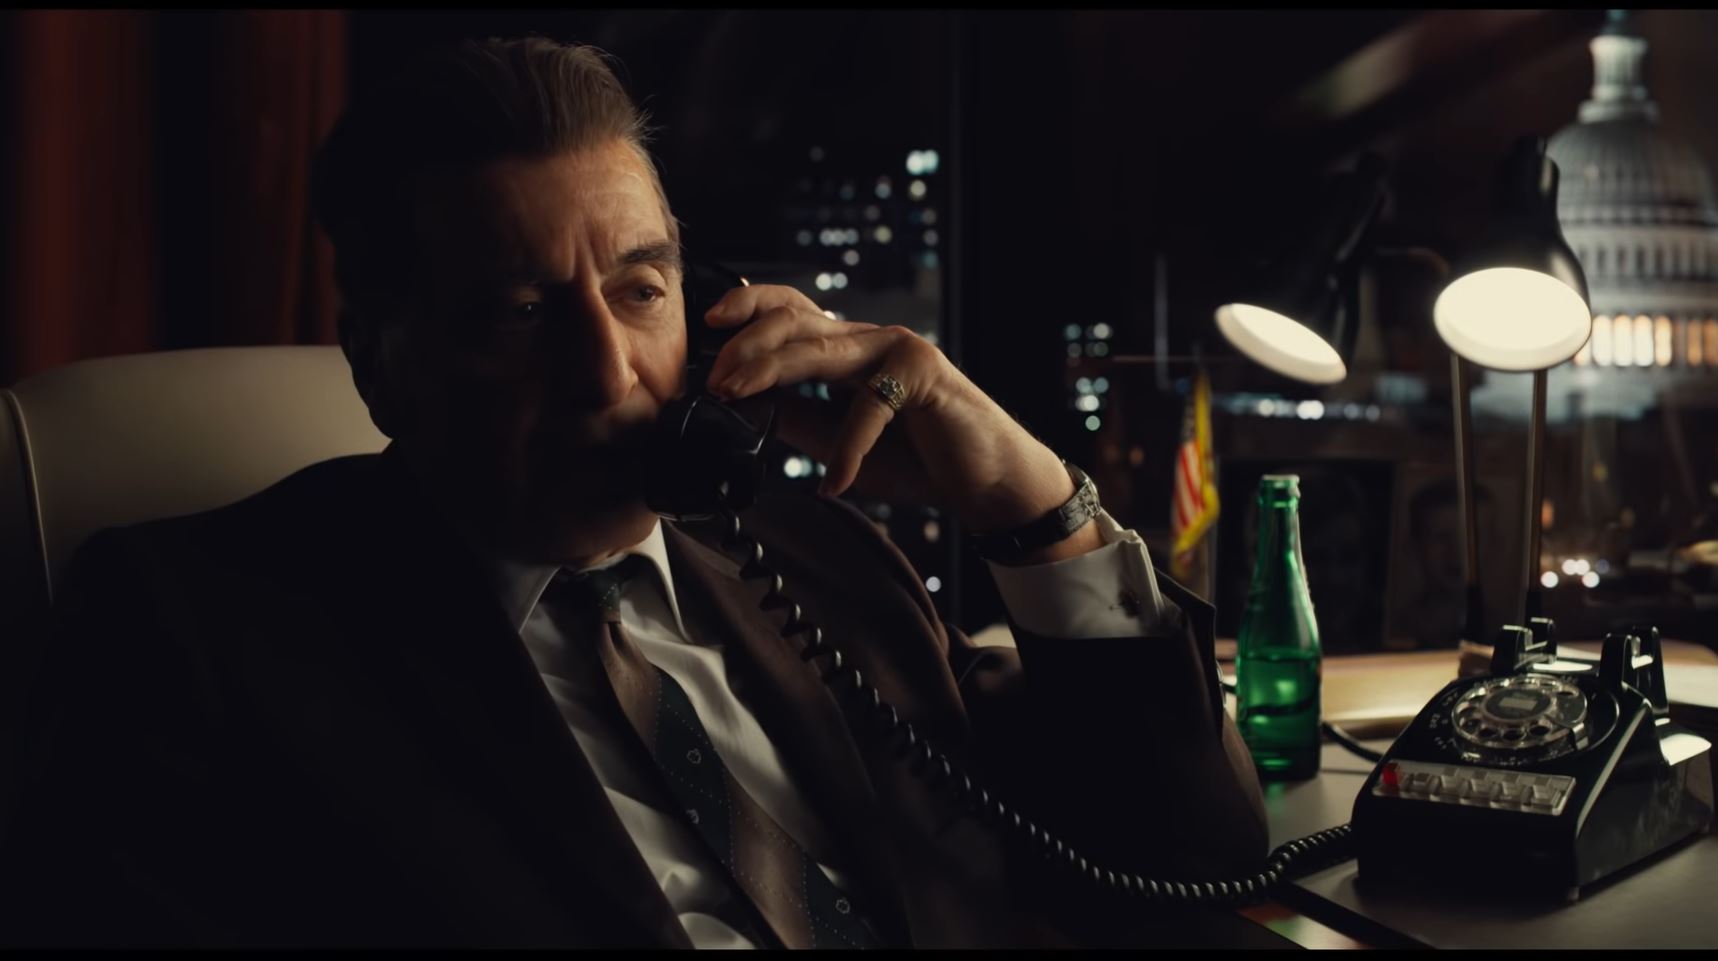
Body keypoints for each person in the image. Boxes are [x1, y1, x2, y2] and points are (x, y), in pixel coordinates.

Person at [0, 37, 1266, 948]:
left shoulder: (815, 560)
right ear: (382, 366)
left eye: (639, 290)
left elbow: (1188, 856)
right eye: (518, 312)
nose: (605, 371)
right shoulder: (188, 629)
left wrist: (1022, 496)